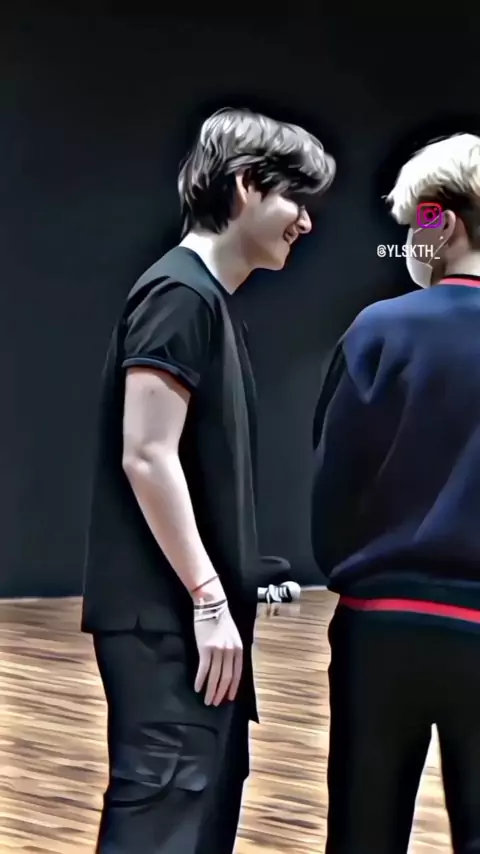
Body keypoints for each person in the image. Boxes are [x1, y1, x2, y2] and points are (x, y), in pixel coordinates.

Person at [82, 106, 335, 854]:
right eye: (296, 199)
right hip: (165, 630)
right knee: (163, 825)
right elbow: (146, 454)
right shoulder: (180, 296)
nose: (306, 222)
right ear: (248, 185)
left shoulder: (206, 301)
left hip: (183, 627)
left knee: (197, 823)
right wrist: (209, 598)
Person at [311, 132, 480, 854]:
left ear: (442, 221)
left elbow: (334, 480)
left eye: (415, 221)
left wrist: (349, 564)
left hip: (379, 627)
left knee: (364, 832)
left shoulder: (379, 329)